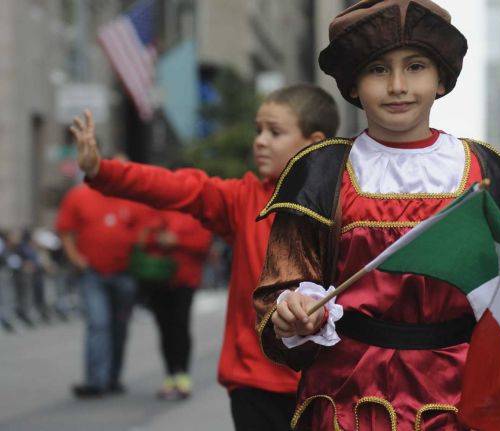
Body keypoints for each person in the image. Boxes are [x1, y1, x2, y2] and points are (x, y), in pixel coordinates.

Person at [252, 1, 500, 429]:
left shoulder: (485, 171)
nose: (398, 85)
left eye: (415, 66)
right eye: (378, 69)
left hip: (462, 397)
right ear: (354, 84)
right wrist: (294, 313)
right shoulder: (320, 171)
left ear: (440, 79)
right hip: (349, 399)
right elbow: (280, 292)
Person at [70, 83, 340, 429]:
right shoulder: (242, 198)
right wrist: (102, 170)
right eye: (258, 130)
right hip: (253, 383)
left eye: (275, 132)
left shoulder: (344, 205)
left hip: (324, 384)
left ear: (315, 141)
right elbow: (177, 187)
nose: (260, 140)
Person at [56, 180, 150, 398]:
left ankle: (113, 377)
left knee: (119, 326)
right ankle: (95, 380)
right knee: (98, 323)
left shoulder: (132, 197)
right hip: (93, 274)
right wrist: (75, 259)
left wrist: (136, 247)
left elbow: (145, 227)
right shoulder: (79, 195)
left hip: (125, 274)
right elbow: (65, 229)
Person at [136, 209, 212, 400]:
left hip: (185, 279)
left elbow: (203, 245)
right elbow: (141, 240)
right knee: (164, 327)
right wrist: (157, 237)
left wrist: (177, 241)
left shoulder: (195, 213)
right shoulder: (156, 211)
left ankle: (183, 374)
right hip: (158, 278)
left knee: (181, 324)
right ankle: (170, 374)